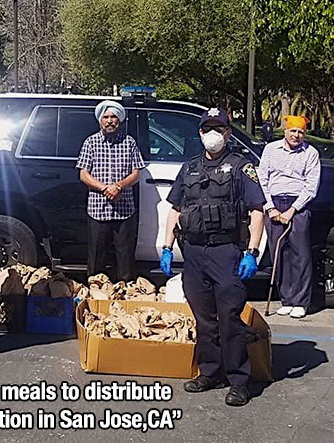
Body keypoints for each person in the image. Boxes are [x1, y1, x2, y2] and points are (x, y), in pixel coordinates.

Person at [160, 108, 265, 407]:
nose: (213, 134)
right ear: (200, 133)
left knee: (230, 318)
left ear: (228, 133)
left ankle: (239, 380)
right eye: (208, 128)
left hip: (225, 251)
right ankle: (210, 372)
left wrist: (252, 252)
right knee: (204, 318)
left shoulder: (241, 167)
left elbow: (256, 211)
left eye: (219, 128)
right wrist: (167, 247)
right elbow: (175, 209)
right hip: (192, 251)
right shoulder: (189, 168)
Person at [258, 115, 321, 319]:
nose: (296, 135)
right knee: (279, 252)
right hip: (274, 203)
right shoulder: (271, 150)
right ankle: (286, 299)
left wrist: (292, 210)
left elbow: (311, 187)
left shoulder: (311, 153)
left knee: (300, 254)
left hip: (298, 205)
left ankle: (300, 301)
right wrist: (270, 208)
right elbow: (262, 179)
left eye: (301, 132)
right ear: (285, 130)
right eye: (293, 131)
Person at [76, 100, 145, 281]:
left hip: (124, 209)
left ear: (119, 120)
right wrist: (106, 188)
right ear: (100, 121)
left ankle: (125, 293)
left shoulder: (129, 142)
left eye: (113, 116)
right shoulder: (90, 142)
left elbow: (136, 173)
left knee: (125, 257)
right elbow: (83, 174)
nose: (109, 121)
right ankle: (95, 294)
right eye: (105, 117)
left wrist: (119, 186)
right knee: (96, 256)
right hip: (97, 209)